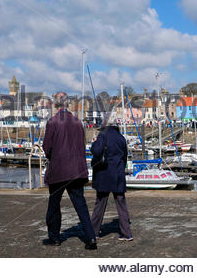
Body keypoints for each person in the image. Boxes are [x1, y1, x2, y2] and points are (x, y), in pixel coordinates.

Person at [42, 92, 97, 250]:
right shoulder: (78, 122)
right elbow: (81, 144)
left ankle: (54, 237)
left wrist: (53, 157)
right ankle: (91, 237)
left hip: (58, 170)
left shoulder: (52, 122)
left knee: (54, 205)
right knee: (81, 205)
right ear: (68, 104)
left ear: (56, 105)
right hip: (76, 170)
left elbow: (47, 148)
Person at [90, 123, 133, 241]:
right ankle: (127, 233)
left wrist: (94, 143)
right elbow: (124, 156)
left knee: (100, 204)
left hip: (104, 174)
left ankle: (94, 232)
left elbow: (97, 152)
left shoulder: (102, 135)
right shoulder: (121, 138)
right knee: (121, 204)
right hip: (118, 174)